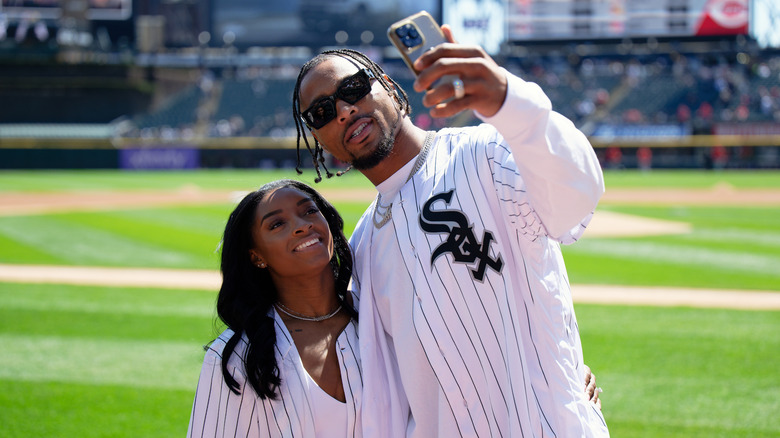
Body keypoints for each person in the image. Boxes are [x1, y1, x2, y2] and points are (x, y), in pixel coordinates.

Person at [292, 24, 609, 438]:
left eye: (353, 88)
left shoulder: (486, 153)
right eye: (321, 112)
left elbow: (576, 198)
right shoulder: (364, 245)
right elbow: (387, 395)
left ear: (387, 85)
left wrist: (511, 103)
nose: (343, 110)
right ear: (318, 138)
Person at [186, 179, 361, 437]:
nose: (303, 226)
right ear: (257, 256)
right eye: (277, 224)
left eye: (310, 211)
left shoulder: (380, 315)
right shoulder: (238, 355)